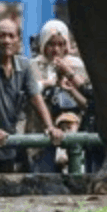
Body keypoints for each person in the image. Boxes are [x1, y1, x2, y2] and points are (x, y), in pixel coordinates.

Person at [0, 18, 63, 174]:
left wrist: (50, 127)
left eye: (11, 36)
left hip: (8, 144)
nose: (6, 41)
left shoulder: (24, 65)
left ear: (18, 41)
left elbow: (36, 97)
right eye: (1, 36)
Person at [27, 19, 90, 173]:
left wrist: (68, 75)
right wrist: (47, 83)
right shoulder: (32, 66)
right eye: (51, 44)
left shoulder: (77, 66)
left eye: (61, 44)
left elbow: (87, 94)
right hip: (41, 134)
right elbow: (29, 93)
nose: (56, 49)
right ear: (43, 45)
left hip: (74, 131)